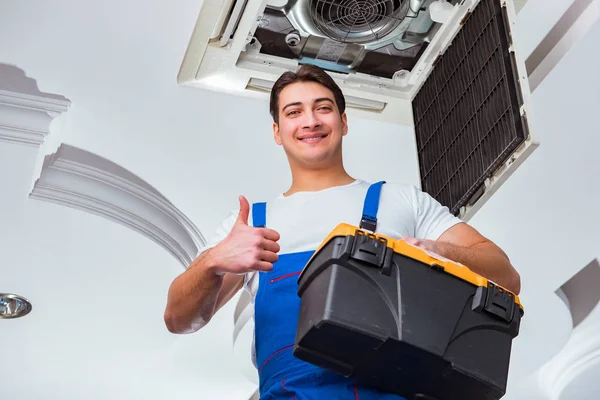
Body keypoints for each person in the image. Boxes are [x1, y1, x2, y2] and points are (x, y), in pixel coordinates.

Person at [163, 64, 521, 399]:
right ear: (277, 131)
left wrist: (439, 254)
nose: (311, 121)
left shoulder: (401, 201)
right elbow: (179, 319)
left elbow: (506, 275)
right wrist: (214, 262)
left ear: (343, 121)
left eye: (323, 108)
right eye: (294, 112)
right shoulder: (250, 224)